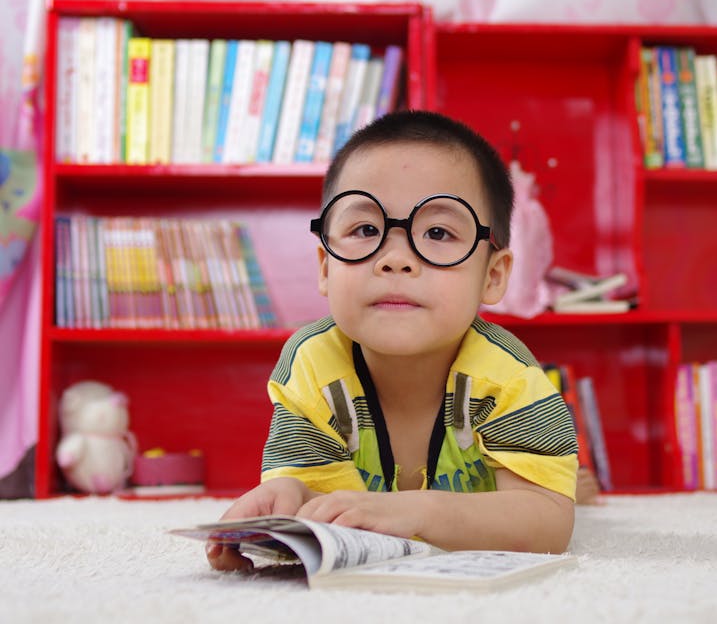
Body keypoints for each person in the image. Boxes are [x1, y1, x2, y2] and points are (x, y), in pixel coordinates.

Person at [208, 110, 579, 571]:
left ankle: (577, 477)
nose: (396, 259)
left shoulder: (509, 375)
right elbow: (329, 502)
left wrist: (418, 510)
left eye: (438, 232)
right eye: (366, 230)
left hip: (496, 498)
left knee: (569, 487)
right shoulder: (311, 364)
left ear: (494, 275)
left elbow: (549, 522)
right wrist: (294, 498)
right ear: (325, 267)